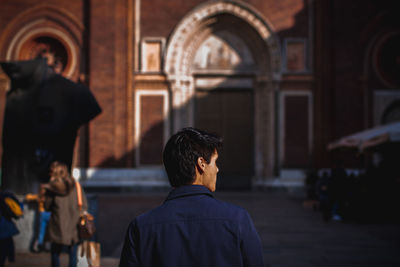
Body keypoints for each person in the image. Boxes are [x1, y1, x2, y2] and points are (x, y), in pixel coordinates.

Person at [120, 127, 264, 267]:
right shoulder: (237, 219)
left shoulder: (141, 227)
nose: (217, 169)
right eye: (215, 162)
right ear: (201, 164)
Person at [43, 161, 87, 267]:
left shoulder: (51, 188)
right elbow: (84, 204)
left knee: (55, 253)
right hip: (74, 226)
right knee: (72, 254)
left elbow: (47, 207)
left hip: (58, 226)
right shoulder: (76, 185)